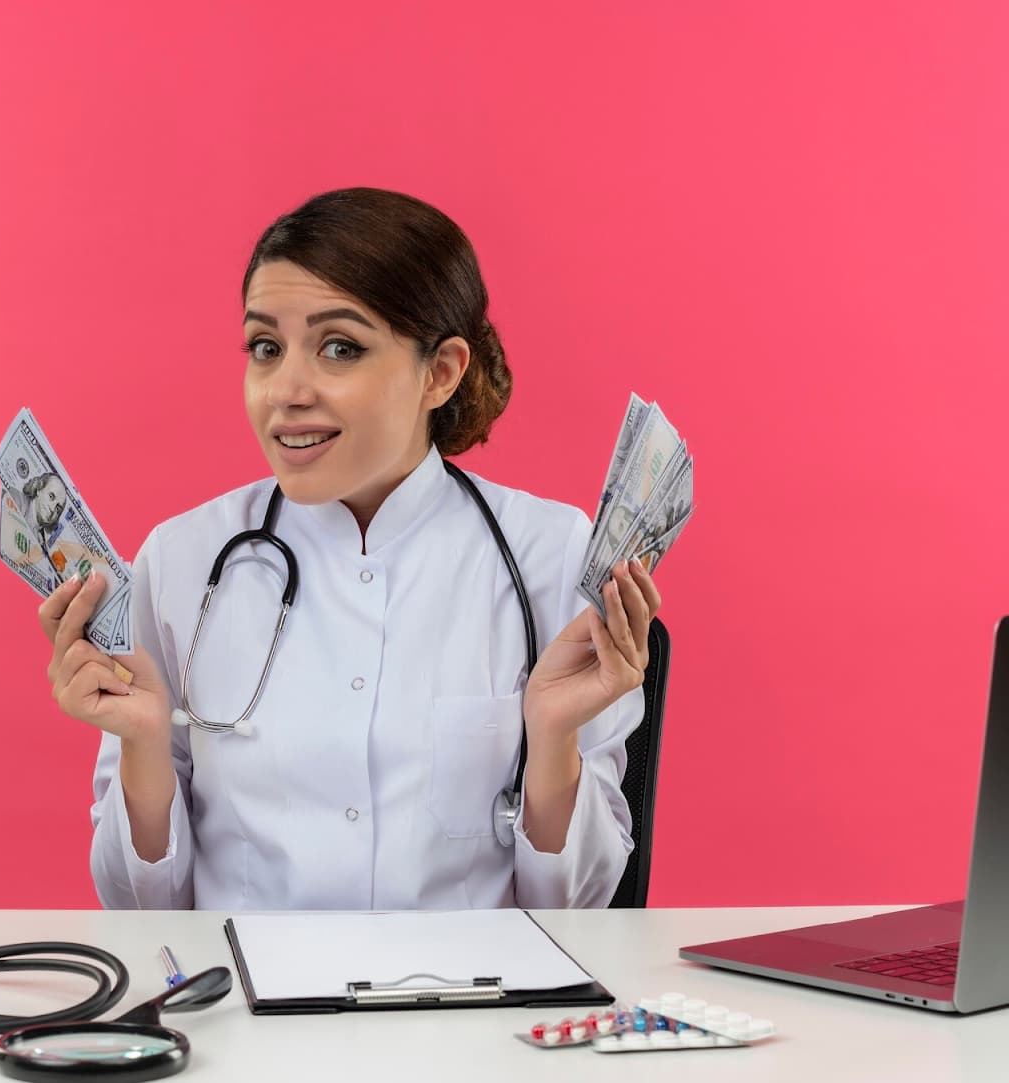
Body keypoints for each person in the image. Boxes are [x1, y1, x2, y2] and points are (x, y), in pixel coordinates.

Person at [38, 188, 662, 909]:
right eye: (266, 348)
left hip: (467, 1013)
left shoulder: (551, 556)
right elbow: (143, 913)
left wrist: (551, 737)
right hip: (244, 1010)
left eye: (340, 348)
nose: (286, 391)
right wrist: (145, 746)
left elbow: (577, 913)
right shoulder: (180, 560)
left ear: (441, 371)